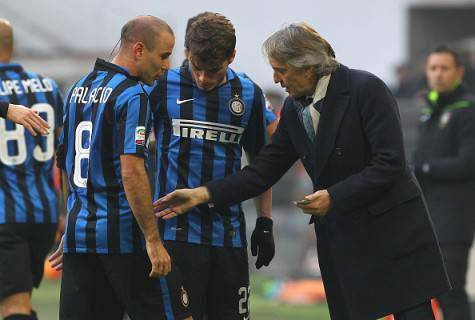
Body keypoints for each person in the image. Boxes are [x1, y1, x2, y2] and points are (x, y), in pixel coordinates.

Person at [155, 23, 452, 320]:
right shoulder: (294, 109)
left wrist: (334, 197)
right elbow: (263, 171)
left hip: (393, 233)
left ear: (306, 68)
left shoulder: (367, 89)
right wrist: (202, 194)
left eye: (280, 69)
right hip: (345, 239)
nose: (275, 78)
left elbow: (390, 164)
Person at [48, 16, 192, 320]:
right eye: (164, 55)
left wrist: (71, 222)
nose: (166, 66)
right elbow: (132, 171)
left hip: (81, 239)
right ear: (139, 49)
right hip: (123, 237)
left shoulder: (77, 89)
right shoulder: (132, 94)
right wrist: (152, 240)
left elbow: (63, 159)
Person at [148, 12, 273, 320]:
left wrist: (265, 222)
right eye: (197, 68)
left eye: (214, 71)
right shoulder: (160, 86)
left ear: (232, 56)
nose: (204, 78)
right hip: (175, 236)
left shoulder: (248, 94)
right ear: (187, 53)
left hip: (228, 236)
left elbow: (261, 164)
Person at [0, 19, 63, 320]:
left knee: (13, 307)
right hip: (43, 213)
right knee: (20, 304)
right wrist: (64, 210)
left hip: (4, 217)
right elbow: (65, 152)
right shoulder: (48, 87)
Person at [413, 46, 475, 320]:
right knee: (427, 292)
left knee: (451, 291)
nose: (438, 74)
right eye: (433, 68)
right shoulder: (431, 110)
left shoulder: (466, 111)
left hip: (455, 217)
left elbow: (468, 162)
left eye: (444, 68)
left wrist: (424, 168)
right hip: (429, 215)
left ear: (459, 72)